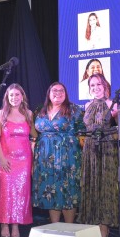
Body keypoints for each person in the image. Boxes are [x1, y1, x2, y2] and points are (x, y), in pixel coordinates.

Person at [32, 82, 85, 224]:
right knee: (51, 189)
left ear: (66, 94)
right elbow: (33, 133)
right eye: (54, 90)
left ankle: (69, 227)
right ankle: (55, 226)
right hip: (44, 157)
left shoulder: (74, 109)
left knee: (68, 190)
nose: (58, 93)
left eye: (62, 90)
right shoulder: (40, 110)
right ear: (48, 93)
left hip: (67, 156)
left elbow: (83, 131)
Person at [77, 74, 118, 237]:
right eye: (92, 85)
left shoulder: (112, 104)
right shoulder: (86, 105)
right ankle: (92, 226)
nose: (96, 87)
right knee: (91, 185)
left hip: (106, 148)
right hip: (90, 149)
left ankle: (104, 228)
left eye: (98, 84)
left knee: (105, 186)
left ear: (105, 85)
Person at [0, 84, 36, 237]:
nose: (14, 98)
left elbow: (33, 136)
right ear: (7, 97)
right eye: (11, 95)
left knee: (20, 191)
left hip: (24, 160)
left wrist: (34, 152)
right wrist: (2, 158)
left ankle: (16, 224)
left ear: (22, 96)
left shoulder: (29, 114)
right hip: (5, 158)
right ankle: (4, 223)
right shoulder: (1, 114)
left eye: (17, 95)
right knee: (6, 191)